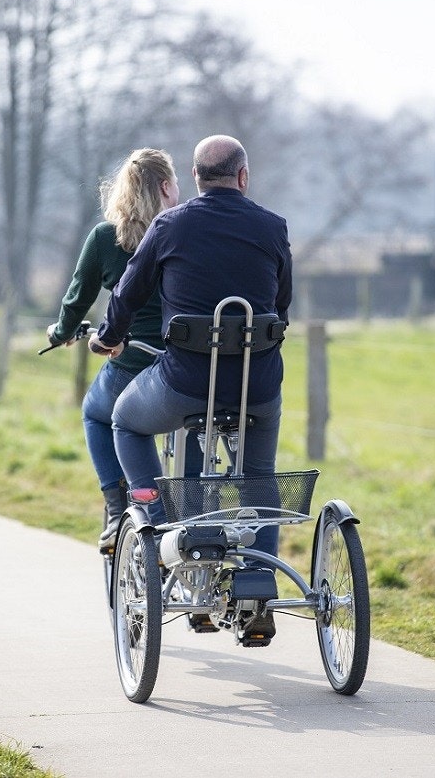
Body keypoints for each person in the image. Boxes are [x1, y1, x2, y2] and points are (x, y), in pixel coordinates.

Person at [89, 135, 292, 615]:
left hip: (183, 385)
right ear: (243, 177)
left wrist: (108, 335)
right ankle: (257, 583)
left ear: (196, 180)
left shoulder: (169, 225)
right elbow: (281, 306)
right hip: (257, 387)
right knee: (260, 476)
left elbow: (127, 293)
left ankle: (160, 524)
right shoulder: (273, 227)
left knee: (122, 419)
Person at [46, 147, 199, 550]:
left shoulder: (106, 238)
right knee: (198, 418)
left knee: (97, 412)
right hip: (191, 363)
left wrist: (61, 331)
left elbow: (77, 298)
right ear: (166, 187)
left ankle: (120, 509)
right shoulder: (187, 232)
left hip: (133, 362)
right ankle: (196, 511)